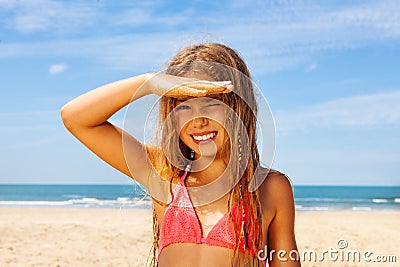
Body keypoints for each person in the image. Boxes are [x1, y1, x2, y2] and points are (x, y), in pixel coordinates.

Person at [61, 43, 300, 267]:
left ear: (238, 107)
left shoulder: (270, 188)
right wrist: (149, 82)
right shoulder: (163, 172)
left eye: (212, 103)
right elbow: (75, 118)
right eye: (184, 106)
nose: (199, 120)